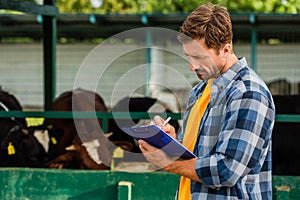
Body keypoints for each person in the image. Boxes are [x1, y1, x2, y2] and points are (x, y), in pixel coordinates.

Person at [138, 2, 275, 200]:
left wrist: (167, 162)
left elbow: (226, 170)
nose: (192, 67)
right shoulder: (199, 92)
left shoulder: (249, 93)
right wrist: (170, 142)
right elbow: (194, 159)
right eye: (188, 56)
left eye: (199, 57)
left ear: (226, 49)